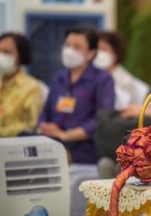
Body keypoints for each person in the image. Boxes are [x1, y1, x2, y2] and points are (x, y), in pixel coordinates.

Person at [38, 27, 115, 164]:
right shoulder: (59, 77)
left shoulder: (102, 79)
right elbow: (46, 110)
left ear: (91, 53)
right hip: (53, 140)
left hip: (85, 146)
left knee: (55, 159)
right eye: (67, 45)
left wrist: (69, 135)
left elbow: (103, 118)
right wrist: (44, 125)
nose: (69, 50)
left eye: (77, 47)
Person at [0, 33, 43, 137]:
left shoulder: (32, 87)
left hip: (14, 148)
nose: (0, 56)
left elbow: (30, 126)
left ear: (20, 55)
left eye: (6, 52)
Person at [93, 31, 149, 109]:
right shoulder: (91, 75)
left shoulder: (126, 82)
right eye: (96, 49)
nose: (98, 53)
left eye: (103, 49)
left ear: (115, 53)